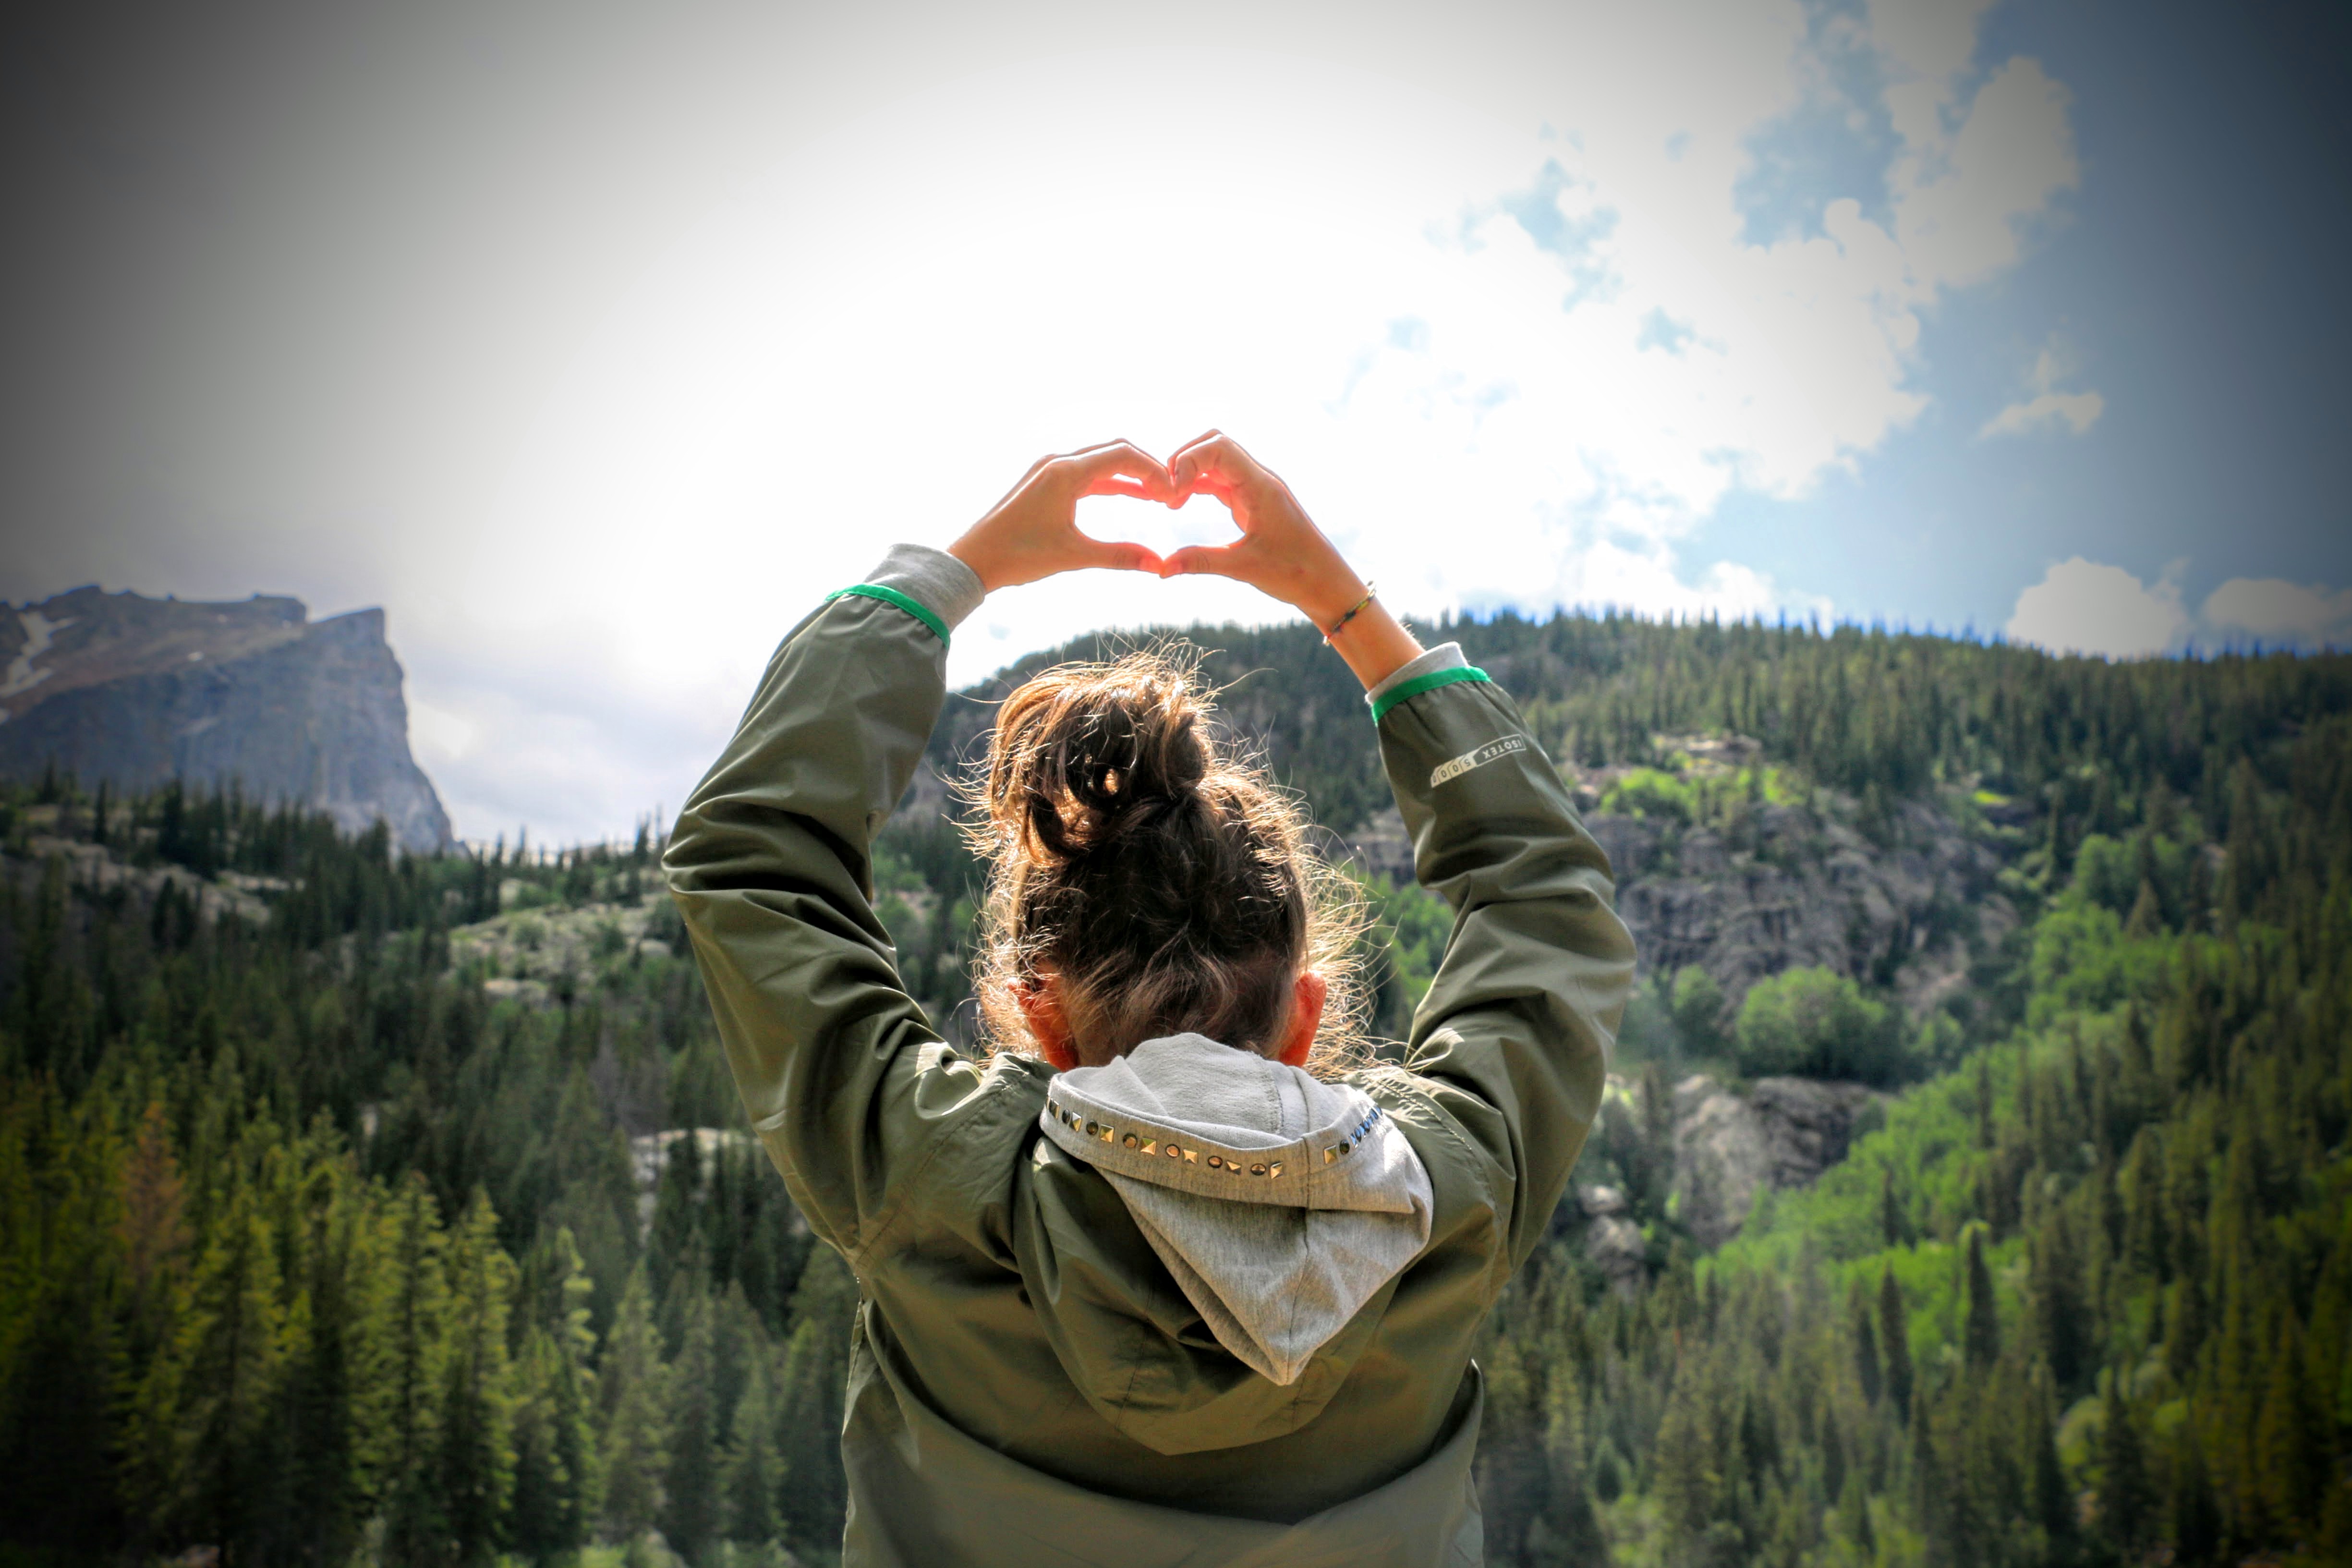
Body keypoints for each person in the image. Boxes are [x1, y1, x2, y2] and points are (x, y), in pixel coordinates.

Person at [665, 432, 1636, 1566]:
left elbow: (750, 861)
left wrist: (960, 569)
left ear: (1042, 1012)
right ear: (1306, 1016)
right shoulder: (1449, 1192)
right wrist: (1342, 602)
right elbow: (1548, 896)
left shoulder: (926, 1175)